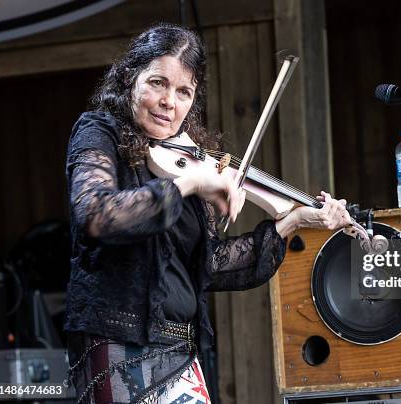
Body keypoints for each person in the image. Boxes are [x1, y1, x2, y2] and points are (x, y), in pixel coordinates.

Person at [63, 23, 350, 404]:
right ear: (131, 79)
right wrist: (189, 184)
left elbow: (209, 264)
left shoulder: (188, 157)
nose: (170, 102)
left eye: (184, 92)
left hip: (180, 349)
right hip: (116, 342)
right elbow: (97, 214)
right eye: (158, 83)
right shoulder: (100, 133)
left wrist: (292, 222)